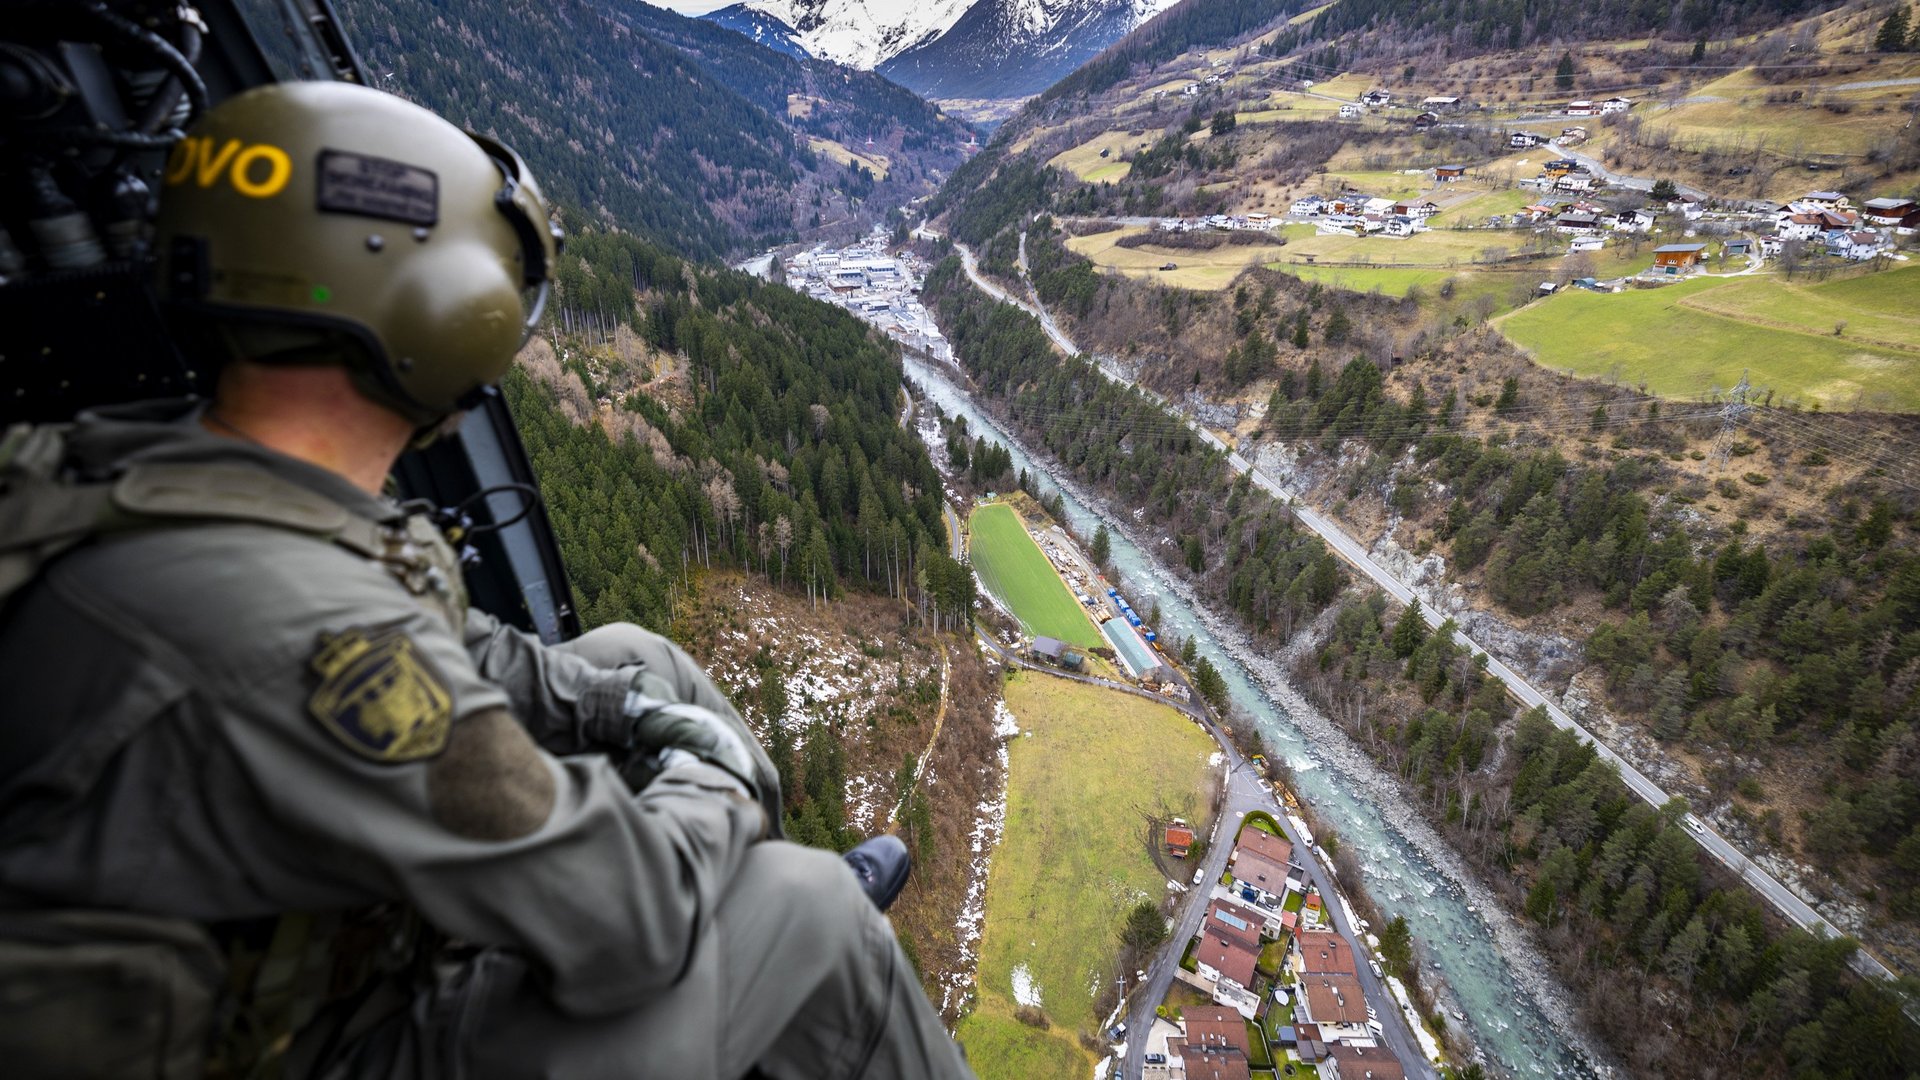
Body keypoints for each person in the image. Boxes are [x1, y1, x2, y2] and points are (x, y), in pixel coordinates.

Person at [0, 81, 972, 1080]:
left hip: (268, 964)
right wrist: (712, 778)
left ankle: (743, 923)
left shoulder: (167, 476)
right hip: (304, 1047)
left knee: (637, 659)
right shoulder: (309, 640)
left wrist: (627, 710)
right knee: (817, 917)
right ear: (446, 313)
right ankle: (781, 923)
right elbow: (624, 914)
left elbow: (467, 649)